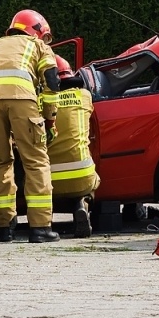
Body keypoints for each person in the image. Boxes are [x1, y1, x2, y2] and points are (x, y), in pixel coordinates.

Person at [0, 10, 62, 243]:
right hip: (23, 99)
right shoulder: (38, 46)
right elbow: (52, 83)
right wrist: (50, 119)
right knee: (35, 161)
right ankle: (40, 228)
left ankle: (4, 227)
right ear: (36, 30)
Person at [48, 56, 101, 237]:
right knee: (92, 181)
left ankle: (45, 219)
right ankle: (81, 205)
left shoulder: (41, 101)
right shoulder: (84, 96)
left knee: (44, 187)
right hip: (82, 173)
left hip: (48, 178)